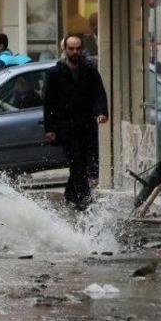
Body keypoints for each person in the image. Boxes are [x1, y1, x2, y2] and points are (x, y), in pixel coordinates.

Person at [44, 34, 109, 211]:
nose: (75, 52)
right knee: (77, 162)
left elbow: (99, 93)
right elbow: (48, 102)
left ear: (82, 49)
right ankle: (83, 199)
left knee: (86, 162)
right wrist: (49, 128)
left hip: (86, 125)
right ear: (64, 49)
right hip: (66, 127)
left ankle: (70, 194)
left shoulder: (89, 70)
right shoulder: (55, 73)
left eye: (77, 48)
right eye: (71, 48)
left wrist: (101, 112)